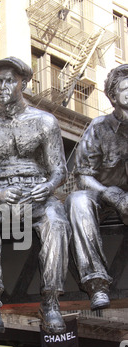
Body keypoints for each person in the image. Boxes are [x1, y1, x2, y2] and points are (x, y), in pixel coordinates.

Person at [0, 57, 71, 334]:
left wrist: (47, 188)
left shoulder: (44, 121)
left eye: (9, 80)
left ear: (22, 83)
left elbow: (59, 170)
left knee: (57, 220)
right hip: (1, 197)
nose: (2, 86)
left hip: (38, 195)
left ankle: (50, 301)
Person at [65, 64, 128, 311]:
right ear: (113, 97)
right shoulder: (99, 128)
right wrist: (107, 194)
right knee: (77, 200)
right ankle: (96, 283)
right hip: (103, 200)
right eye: (125, 88)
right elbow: (82, 176)